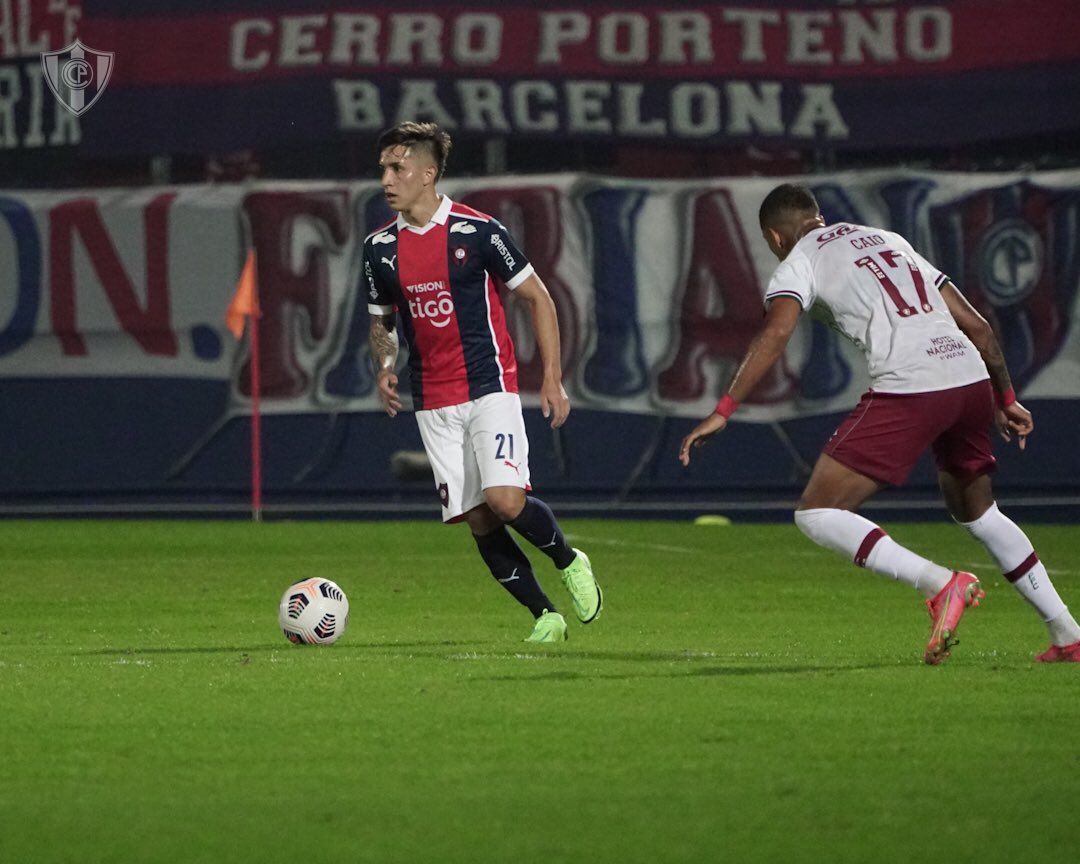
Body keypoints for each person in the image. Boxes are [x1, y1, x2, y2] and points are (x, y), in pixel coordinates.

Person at [679, 183, 1080, 665]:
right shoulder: (889, 239)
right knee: (979, 513)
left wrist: (723, 410)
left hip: (913, 385)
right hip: (969, 376)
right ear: (818, 215)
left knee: (816, 512)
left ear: (774, 235)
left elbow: (777, 331)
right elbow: (977, 326)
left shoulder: (798, 261)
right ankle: (1067, 634)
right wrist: (1006, 396)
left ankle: (940, 584)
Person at [362, 121, 602, 643]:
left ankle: (568, 558)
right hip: (432, 399)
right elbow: (381, 320)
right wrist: (384, 367)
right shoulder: (379, 248)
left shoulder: (479, 232)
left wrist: (554, 379)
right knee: (478, 518)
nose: (386, 177)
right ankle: (545, 616)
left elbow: (539, 297)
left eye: (397, 167)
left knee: (506, 500)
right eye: (383, 167)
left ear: (428, 174)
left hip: (490, 388)